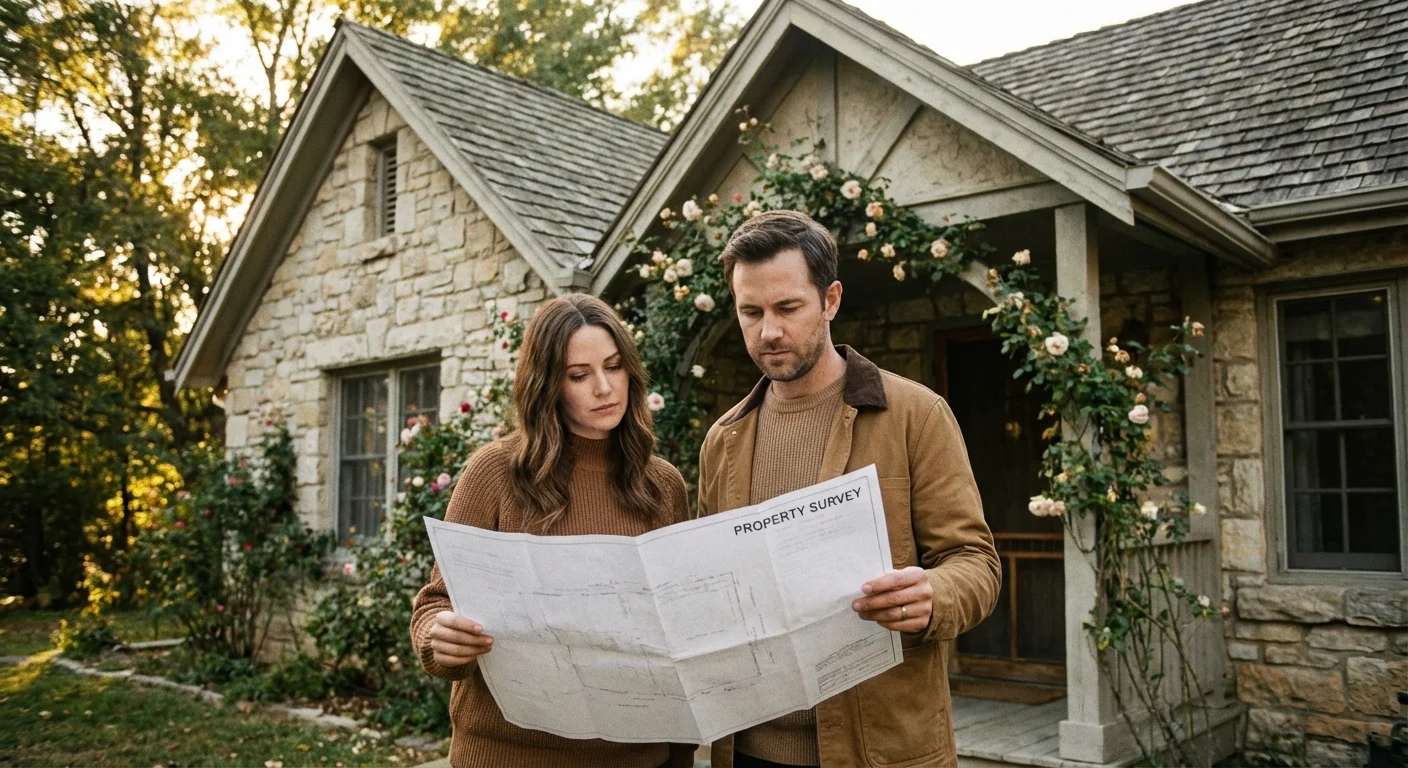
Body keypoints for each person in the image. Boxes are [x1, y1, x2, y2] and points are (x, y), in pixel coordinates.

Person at [697, 210, 1001, 768]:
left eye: (788, 308)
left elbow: (975, 564)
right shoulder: (723, 441)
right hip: (746, 751)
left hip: (879, 752)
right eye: (751, 312)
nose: (769, 331)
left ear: (831, 300)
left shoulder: (917, 415)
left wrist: (934, 594)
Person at [410, 294, 694, 768]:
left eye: (615, 366)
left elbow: (680, 634)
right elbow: (436, 603)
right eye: (579, 375)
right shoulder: (496, 472)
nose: (604, 387)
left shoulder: (662, 486)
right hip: (509, 754)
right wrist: (438, 638)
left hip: (637, 755)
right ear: (548, 386)